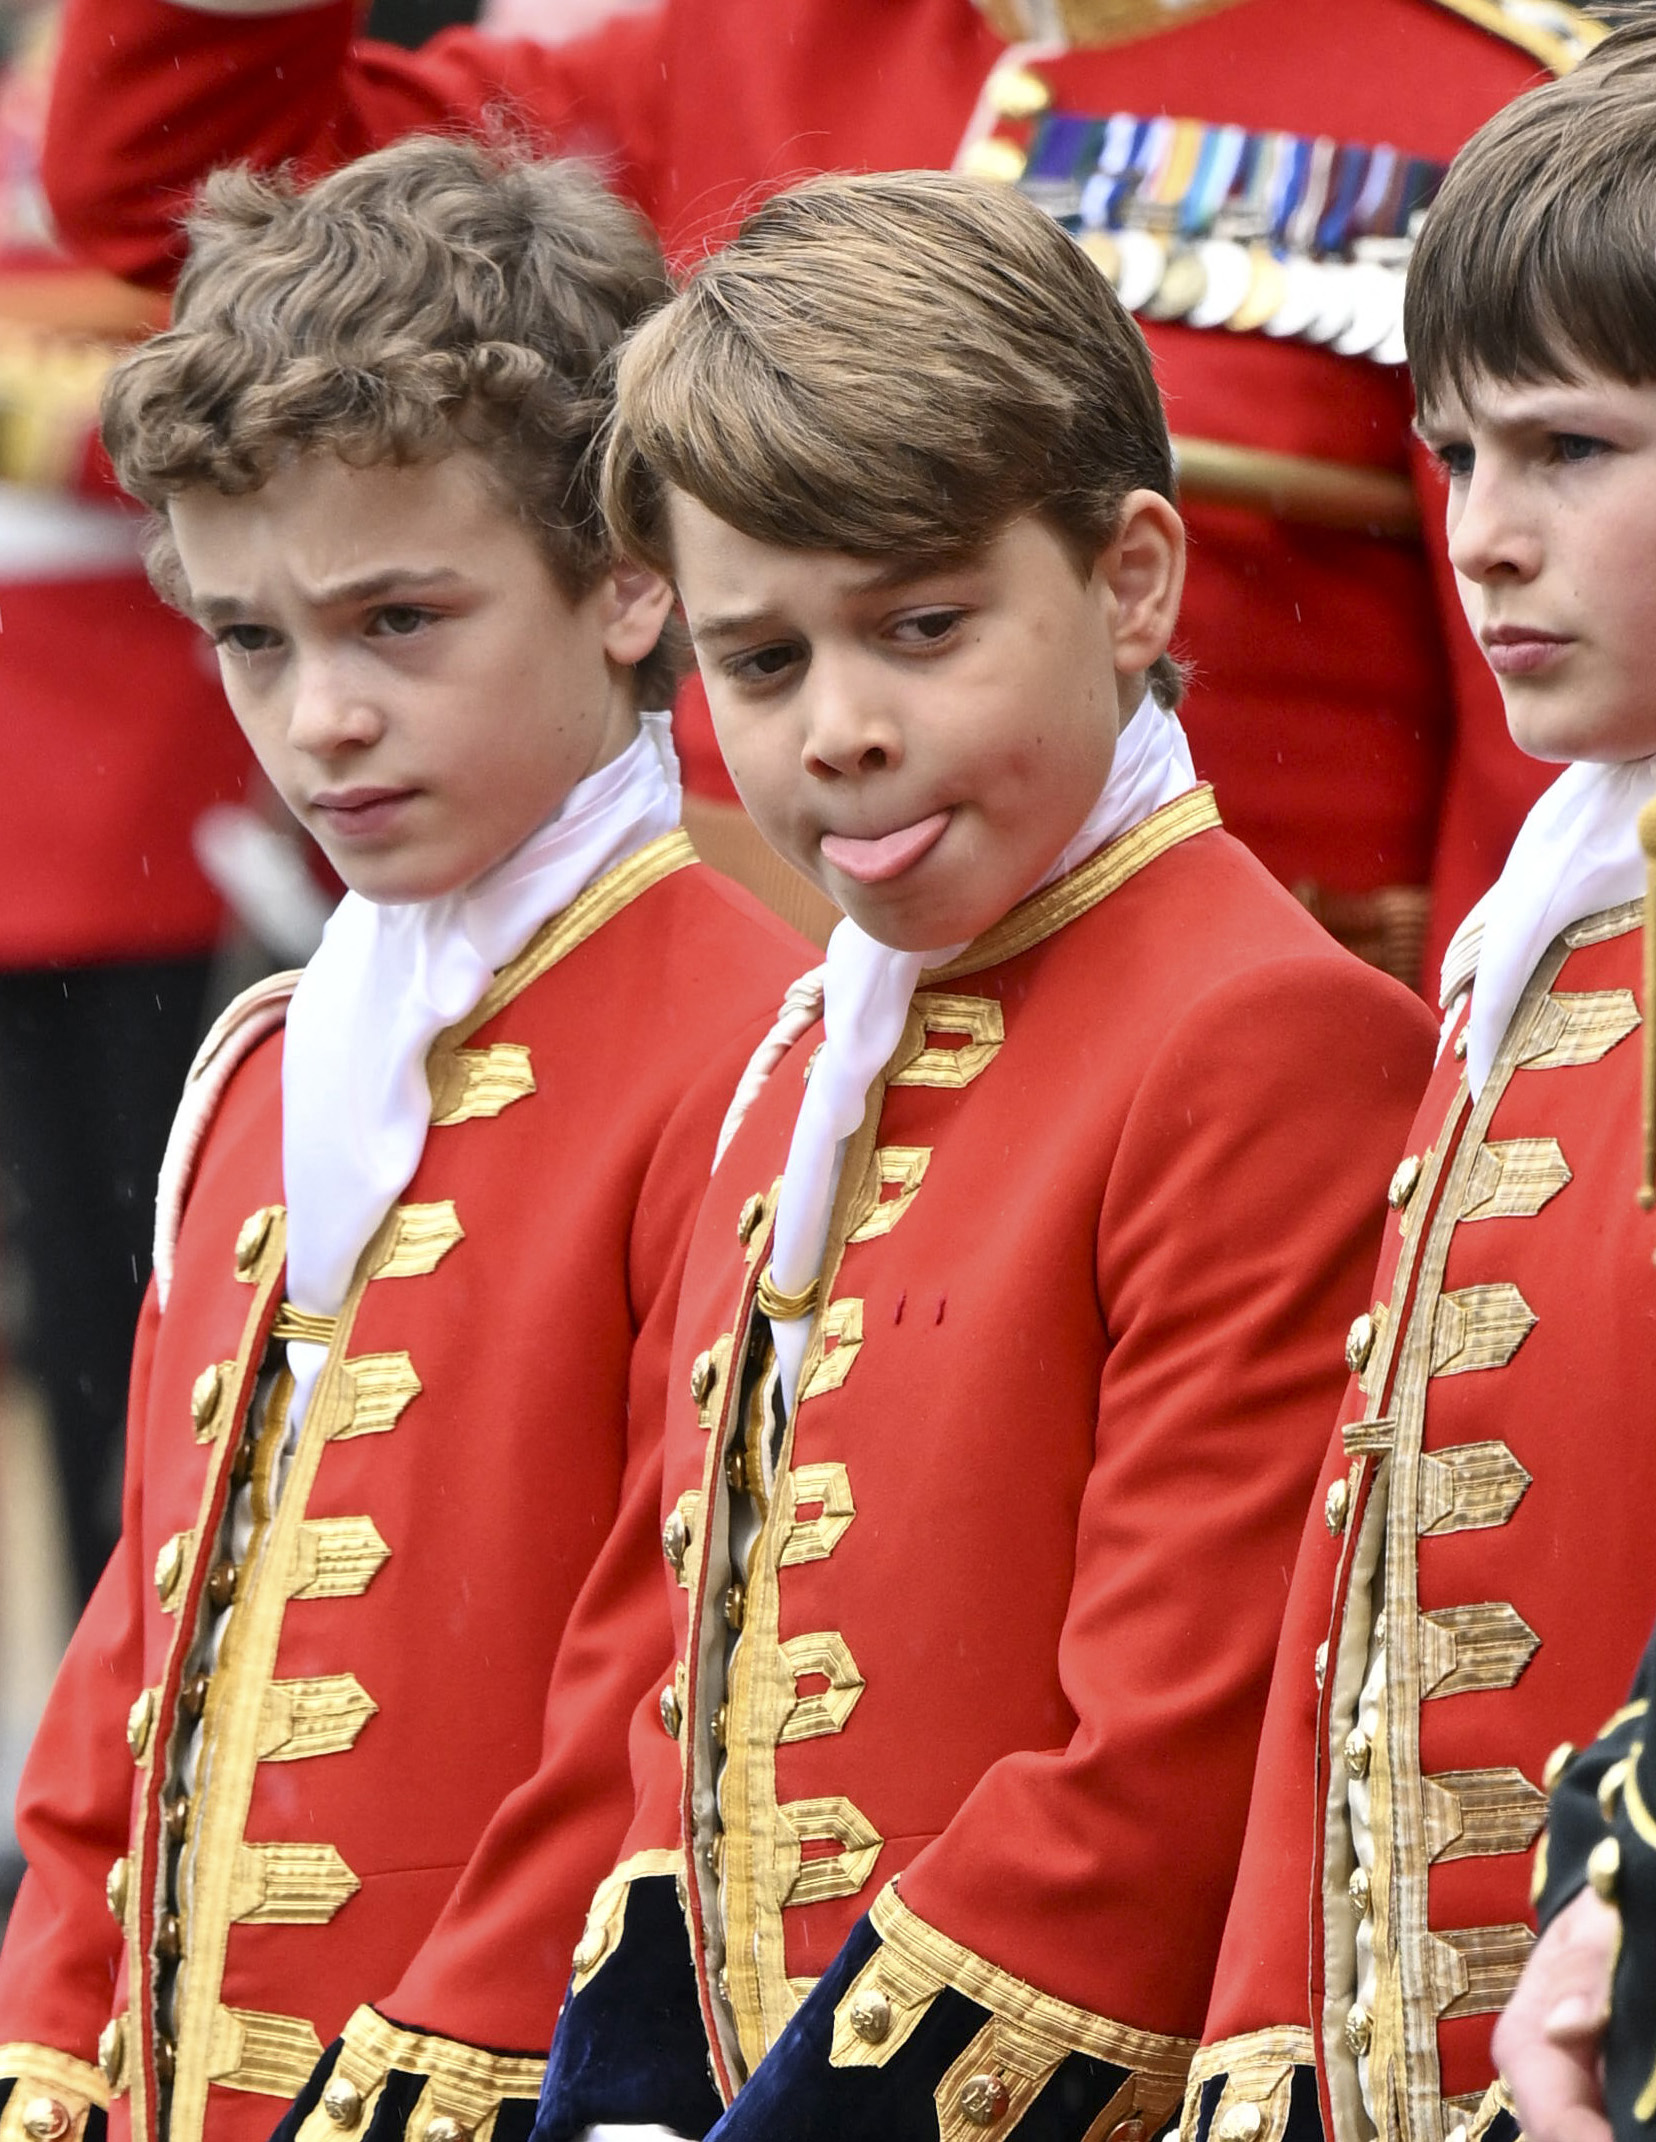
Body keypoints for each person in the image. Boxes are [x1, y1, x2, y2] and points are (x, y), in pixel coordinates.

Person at [498, 168, 1441, 2142]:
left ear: (1131, 580)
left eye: (921, 627)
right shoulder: (811, 1052)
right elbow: (701, 1709)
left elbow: (1160, 1792)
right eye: (761, 665)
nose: (838, 728)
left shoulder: (1261, 1038)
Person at [0, 135, 807, 2142]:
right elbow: (137, 1660)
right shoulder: (268, 1064)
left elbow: (668, 1706)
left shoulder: (757, 1046)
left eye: (399, 622)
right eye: (254, 642)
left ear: (635, 580)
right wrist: (48, 2055)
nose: (319, 719)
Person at [31, 0, 1624, 997]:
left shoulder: (1456, 93)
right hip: (730, 1068)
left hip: (1238, 1082)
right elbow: (206, 178)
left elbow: (1545, 726)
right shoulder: (753, 39)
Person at [1182, 29, 1656, 2142]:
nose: (1482, 538)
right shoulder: (1537, 941)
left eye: (1570, 450)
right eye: (1458, 456)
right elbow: (1363, 1582)